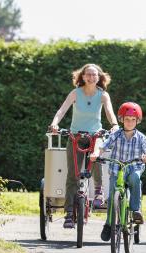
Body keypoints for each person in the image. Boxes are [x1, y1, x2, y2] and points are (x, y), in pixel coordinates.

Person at [48, 63, 119, 228]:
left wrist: (114, 124)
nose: (91, 77)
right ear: (82, 76)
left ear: (99, 77)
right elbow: (61, 110)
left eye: (95, 75)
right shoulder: (75, 93)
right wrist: (55, 123)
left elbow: (109, 112)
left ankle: (99, 191)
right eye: (88, 74)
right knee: (72, 174)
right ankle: (69, 213)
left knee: (95, 154)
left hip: (96, 135)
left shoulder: (103, 95)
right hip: (76, 136)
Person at [89, 102, 146, 242]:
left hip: (133, 168)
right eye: (127, 119)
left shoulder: (141, 137)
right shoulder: (116, 135)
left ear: (137, 121)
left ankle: (136, 210)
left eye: (133, 120)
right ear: (121, 120)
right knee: (113, 197)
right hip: (116, 169)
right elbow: (103, 145)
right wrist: (96, 153)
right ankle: (108, 224)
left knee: (135, 179)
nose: (130, 122)